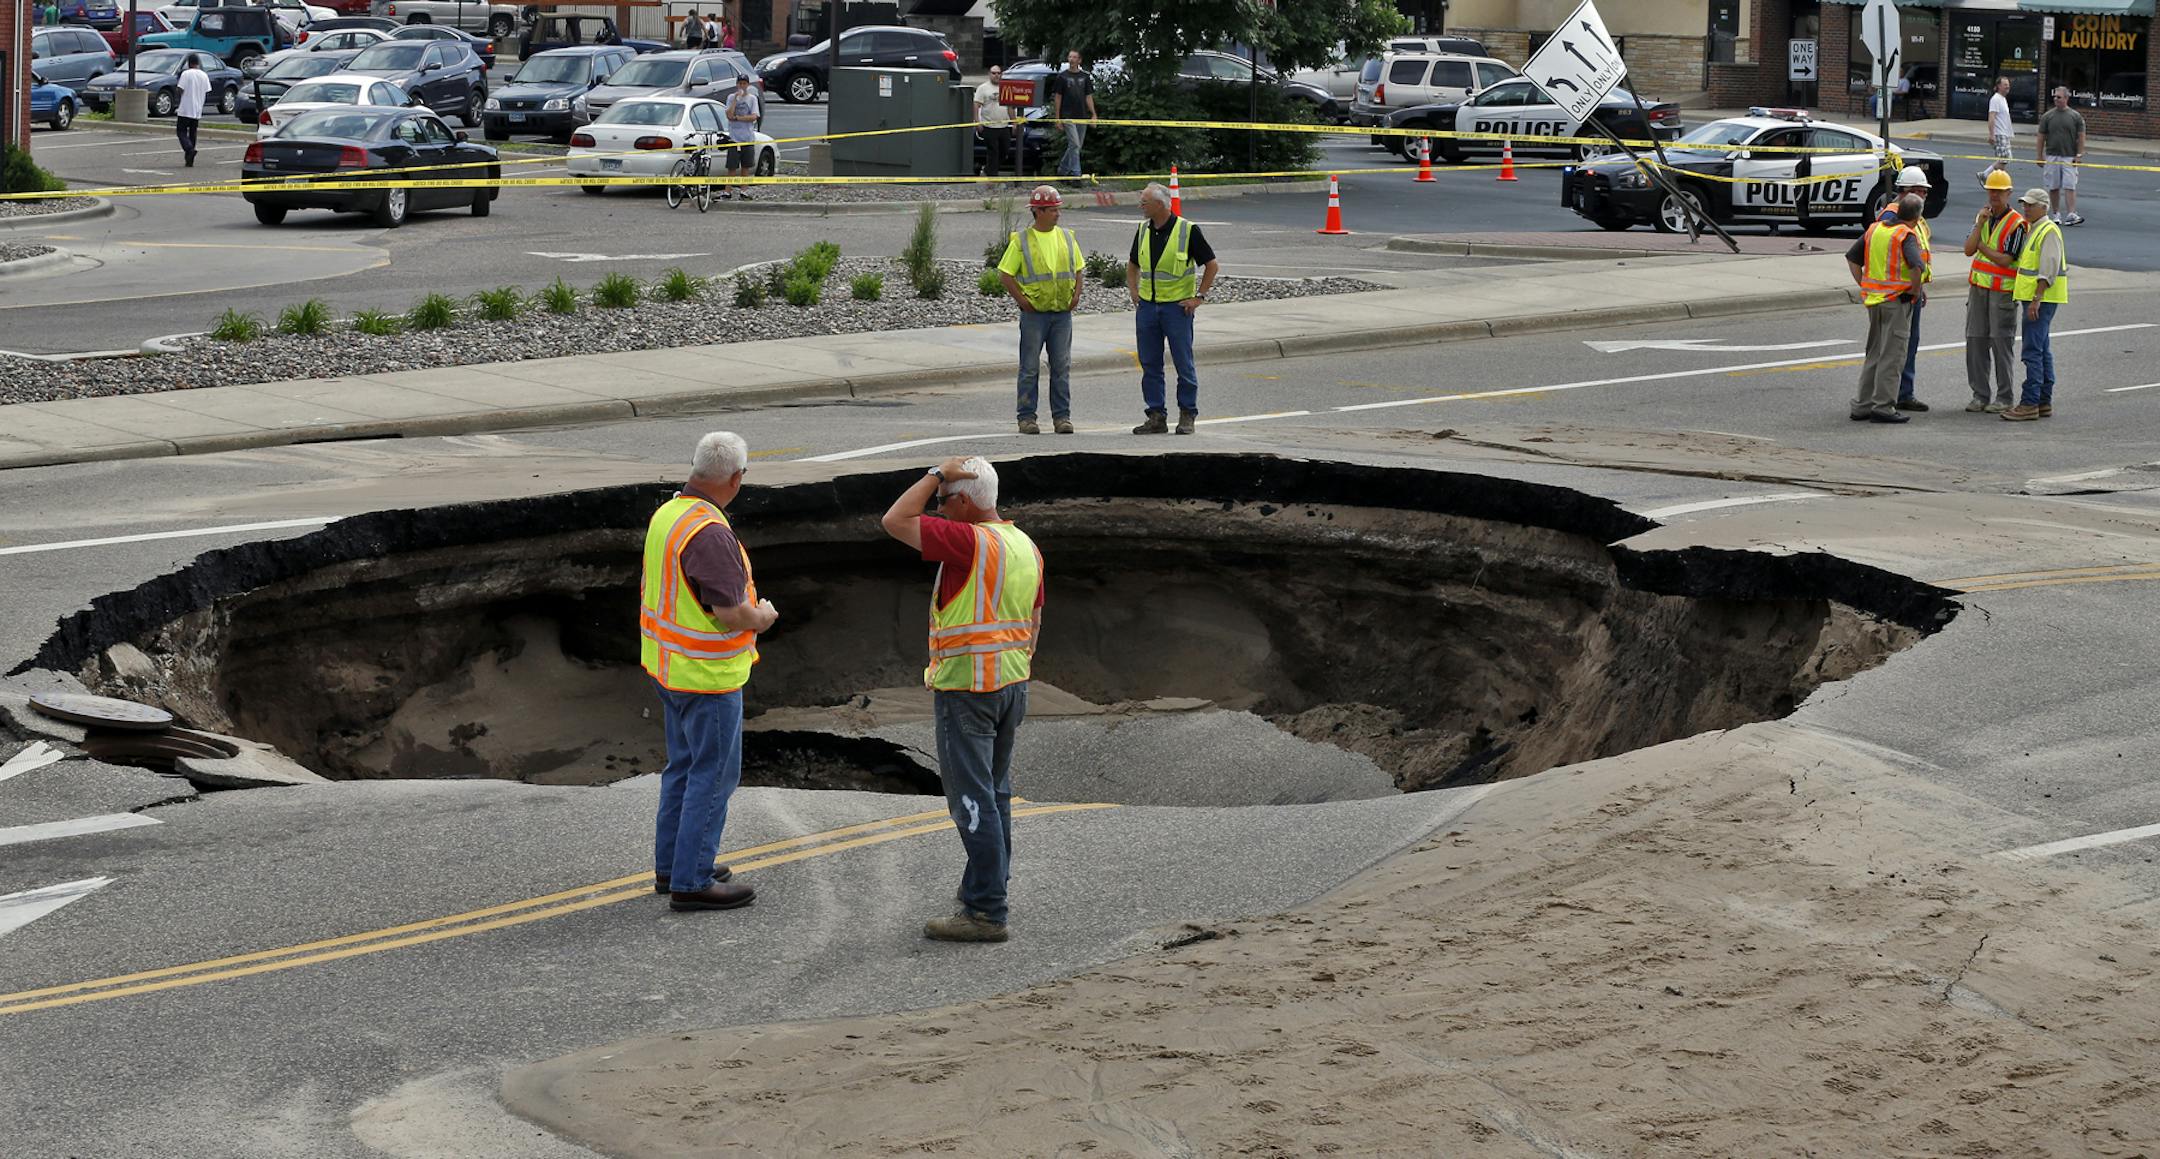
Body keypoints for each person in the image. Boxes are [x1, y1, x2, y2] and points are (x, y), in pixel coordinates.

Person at [879, 455, 1045, 944]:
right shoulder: (1026, 546)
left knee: (972, 799)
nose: (940, 507)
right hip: (1011, 685)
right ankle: (988, 882)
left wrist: (934, 471)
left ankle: (986, 911)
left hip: (968, 689)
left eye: (946, 499)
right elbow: (1034, 621)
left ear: (968, 502)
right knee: (995, 794)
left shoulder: (970, 540)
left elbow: (895, 520)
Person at [641, 431, 777, 912]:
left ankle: (673, 866)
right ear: (737, 478)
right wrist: (763, 616)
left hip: (669, 668)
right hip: (706, 677)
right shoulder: (712, 533)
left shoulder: (671, 512)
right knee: (713, 775)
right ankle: (693, 879)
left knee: (683, 768)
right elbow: (732, 614)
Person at [1125, 181, 1220, 435]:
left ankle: (1187, 414)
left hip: (1177, 310)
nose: (1140, 206)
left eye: (1144, 202)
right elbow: (1133, 264)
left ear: (1159, 205)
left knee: (1183, 363)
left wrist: (1199, 297)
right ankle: (1156, 416)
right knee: (1150, 364)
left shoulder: (1188, 231)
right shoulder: (1143, 230)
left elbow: (1211, 265)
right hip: (1148, 309)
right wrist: (1134, 291)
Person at [997, 185, 1082, 435]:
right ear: (1039, 211)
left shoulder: (1066, 237)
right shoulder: (1022, 241)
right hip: (1034, 315)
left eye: (1058, 209)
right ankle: (1026, 418)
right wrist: (1022, 300)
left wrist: (1076, 294)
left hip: (1061, 314)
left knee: (1061, 366)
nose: (1058, 214)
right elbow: (1005, 274)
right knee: (1030, 367)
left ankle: (1062, 417)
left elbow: (1078, 268)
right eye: (1053, 210)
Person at [1845, 194, 1927, 424]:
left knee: (1874, 353)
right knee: (1892, 355)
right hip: (1896, 302)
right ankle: (1883, 406)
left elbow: (1852, 258)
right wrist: (1915, 291)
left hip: (1874, 301)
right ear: (1917, 216)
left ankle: (1862, 405)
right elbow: (1916, 267)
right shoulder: (1906, 235)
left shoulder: (1875, 229)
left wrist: (1865, 284)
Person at [1961, 169, 2026, 413]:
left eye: (1999, 191)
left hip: (2002, 294)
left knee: (2001, 345)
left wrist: (1982, 247)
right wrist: (1979, 225)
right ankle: (1980, 395)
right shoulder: (1983, 218)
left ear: (2008, 193)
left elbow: (2005, 260)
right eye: (1991, 190)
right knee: (1975, 341)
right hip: (1978, 291)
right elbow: (1968, 249)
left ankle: (2005, 397)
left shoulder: (2017, 224)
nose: (1994, 195)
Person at [2003, 188, 2068, 422]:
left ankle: (2030, 402)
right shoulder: (2036, 229)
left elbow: (2047, 268)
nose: (2026, 208)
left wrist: (2036, 298)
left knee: (2032, 351)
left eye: (2030, 205)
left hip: (2040, 300)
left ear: (2043, 207)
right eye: (2024, 204)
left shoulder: (2048, 230)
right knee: (2041, 349)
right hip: (2037, 299)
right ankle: (2043, 401)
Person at [1874, 166, 1934, 412]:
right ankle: (1889, 397)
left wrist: (1919, 286)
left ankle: (1904, 393)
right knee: (1895, 348)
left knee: (1909, 343)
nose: (1925, 196)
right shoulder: (1891, 218)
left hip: (1910, 290)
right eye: (1922, 191)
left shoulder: (1915, 218)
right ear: (1908, 191)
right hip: (1897, 294)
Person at [2037, 86, 2086, 226]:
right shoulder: (2048, 116)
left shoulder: (2075, 116)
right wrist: (2039, 155)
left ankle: (2071, 213)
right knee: (2053, 186)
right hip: (2052, 156)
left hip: (2069, 156)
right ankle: (2056, 213)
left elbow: (2081, 136)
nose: (2055, 99)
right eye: (2054, 96)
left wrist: (2079, 154)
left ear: (2066, 98)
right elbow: (2041, 136)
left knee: (2070, 185)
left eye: (2059, 97)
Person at [1048, 50, 1096, 179]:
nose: (1072, 59)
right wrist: (1057, 118)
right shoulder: (1062, 77)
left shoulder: (1085, 77)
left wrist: (1093, 114)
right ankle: (1076, 174)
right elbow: (1058, 98)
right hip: (1067, 115)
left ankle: (1063, 170)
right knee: (1074, 144)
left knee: (1076, 146)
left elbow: (1088, 96)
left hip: (1082, 115)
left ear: (1079, 60)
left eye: (1075, 57)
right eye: (1070, 57)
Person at [722, 72, 760, 200]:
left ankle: (744, 190)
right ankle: (728, 191)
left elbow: (754, 116)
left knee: (746, 165)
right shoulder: (731, 97)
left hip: (747, 137)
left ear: (747, 85)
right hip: (734, 137)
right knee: (732, 166)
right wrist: (734, 101)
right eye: (740, 83)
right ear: (737, 84)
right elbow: (729, 115)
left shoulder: (752, 99)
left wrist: (738, 118)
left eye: (744, 83)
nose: (742, 86)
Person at [975, 64, 1015, 179]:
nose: (996, 75)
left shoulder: (1006, 88)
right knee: (993, 152)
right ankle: (993, 177)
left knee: (1005, 150)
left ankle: (987, 170)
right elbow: (976, 105)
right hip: (989, 126)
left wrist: (1015, 123)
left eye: (998, 73)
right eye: (994, 73)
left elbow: (1010, 107)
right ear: (989, 74)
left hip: (1004, 126)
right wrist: (977, 122)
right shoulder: (983, 88)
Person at [175, 55, 212, 168]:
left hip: (185, 108)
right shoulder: (204, 75)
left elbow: (180, 89)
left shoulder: (186, 74)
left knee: (181, 131)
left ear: (189, 63)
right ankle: (189, 159)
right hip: (197, 109)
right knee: (192, 133)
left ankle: (189, 149)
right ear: (198, 63)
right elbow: (207, 90)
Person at [1982, 76, 2013, 179]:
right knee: (2003, 159)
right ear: (1999, 86)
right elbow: (1992, 117)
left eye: (2008, 85)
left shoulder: (2003, 99)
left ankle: (1989, 176)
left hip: (2005, 134)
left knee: (2005, 159)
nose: (2007, 86)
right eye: (2005, 85)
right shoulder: (1995, 99)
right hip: (1999, 133)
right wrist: (1991, 134)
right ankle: (1986, 175)